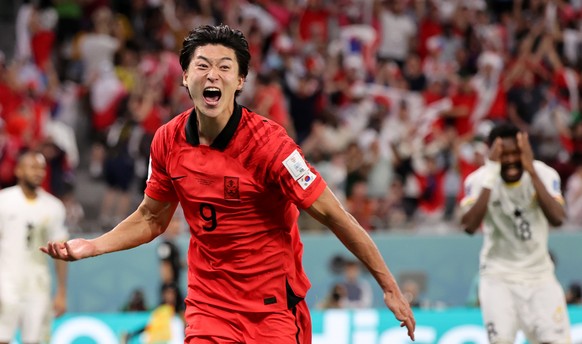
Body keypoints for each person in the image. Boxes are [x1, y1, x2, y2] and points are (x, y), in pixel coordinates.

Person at [41, 24, 415, 343]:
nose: (212, 75)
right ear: (186, 76)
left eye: (224, 67)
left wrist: (389, 286)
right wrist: (93, 245)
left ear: (240, 81)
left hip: (273, 309)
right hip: (210, 306)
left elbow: (336, 216)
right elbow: (151, 218)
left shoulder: (272, 147)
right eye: (202, 66)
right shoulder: (167, 141)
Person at [460, 122, 571, 344]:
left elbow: (557, 218)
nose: (510, 160)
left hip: (540, 276)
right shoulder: (480, 180)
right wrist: (491, 174)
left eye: (516, 153)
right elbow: (469, 226)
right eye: (503, 155)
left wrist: (530, 169)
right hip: (497, 277)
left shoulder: (543, 174)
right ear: (491, 155)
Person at [0, 151, 68, 344]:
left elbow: (61, 249)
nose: (38, 172)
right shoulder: (3, 201)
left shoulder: (53, 207)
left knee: (35, 339)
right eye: (32, 167)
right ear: (19, 171)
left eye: (41, 168)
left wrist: (62, 291)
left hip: (38, 283)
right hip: (6, 281)